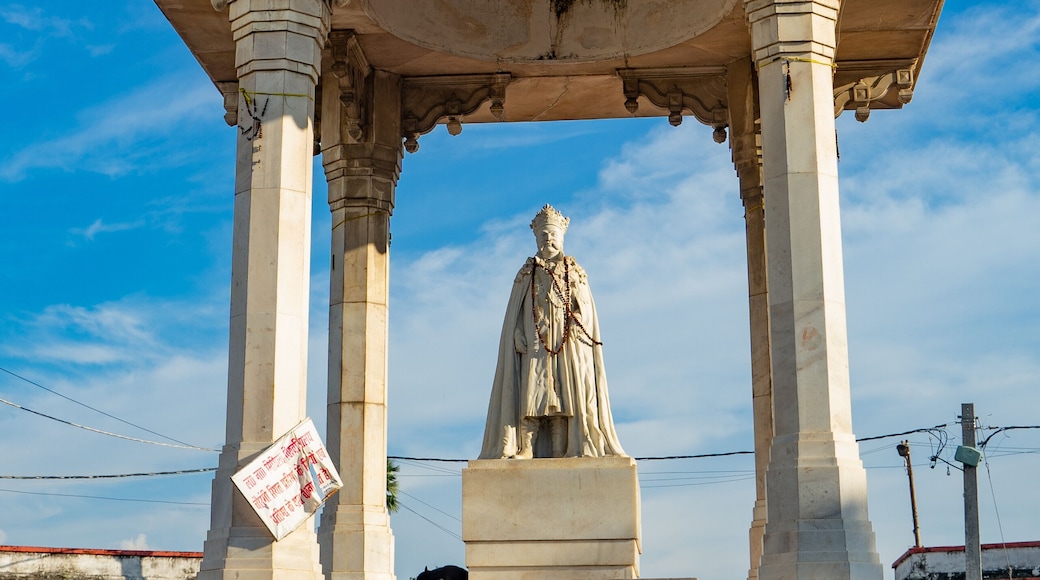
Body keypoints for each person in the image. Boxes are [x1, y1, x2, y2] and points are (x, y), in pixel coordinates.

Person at [478, 204, 626, 459]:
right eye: (543, 235)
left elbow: (586, 309)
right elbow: (515, 310)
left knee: (561, 397)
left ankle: (561, 448)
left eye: (553, 235)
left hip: (565, 343)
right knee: (531, 394)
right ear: (536, 238)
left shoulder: (574, 271)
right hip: (534, 340)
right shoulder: (527, 272)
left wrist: (577, 319)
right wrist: (515, 333)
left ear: (561, 237)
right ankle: (526, 447)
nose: (548, 239)